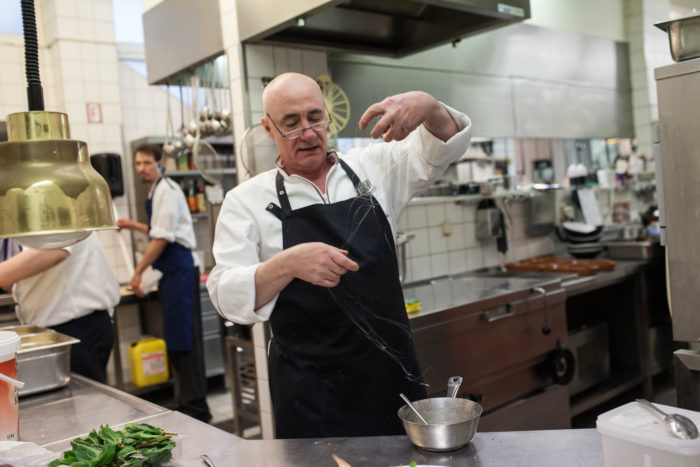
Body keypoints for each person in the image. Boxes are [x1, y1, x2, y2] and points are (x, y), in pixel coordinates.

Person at [207, 72, 472, 438]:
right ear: (269, 130)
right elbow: (224, 294)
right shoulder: (246, 202)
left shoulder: (373, 168)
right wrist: (288, 264)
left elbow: (444, 146)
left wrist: (429, 105)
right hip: (311, 398)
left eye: (315, 118)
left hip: (391, 386)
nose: (308, 131)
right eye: (291, 123)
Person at [117, 144, 212, 423]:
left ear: (160, 163)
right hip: (172, 273)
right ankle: (185, 401)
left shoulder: (167, 191)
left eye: (147, 162)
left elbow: (162, 239)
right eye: (137, 163)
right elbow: (159, 229)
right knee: (176, 337)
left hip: (180, 270)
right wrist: (134, 225)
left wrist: (137, 273)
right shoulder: (156, 190)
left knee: (184, 338)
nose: (141, 168)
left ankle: (196, 407)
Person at [0, 233, 120, 383]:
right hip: (56, 327)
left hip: (76, 327)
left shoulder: (52, 212)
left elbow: (54, 250)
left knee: (84, 401)